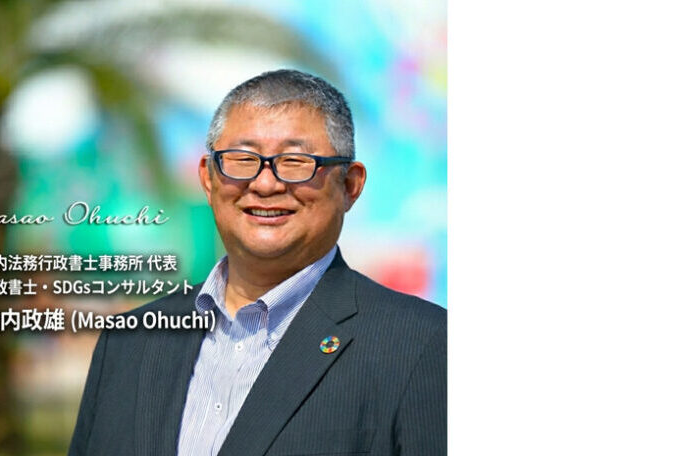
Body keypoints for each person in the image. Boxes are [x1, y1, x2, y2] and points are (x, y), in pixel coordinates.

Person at [69, 69, 446, 455]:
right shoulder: (130, 340)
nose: (265, 184)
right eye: (242, 159)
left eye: (296, 161)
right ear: (208, 179)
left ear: (350, 185)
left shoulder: (422, 346)